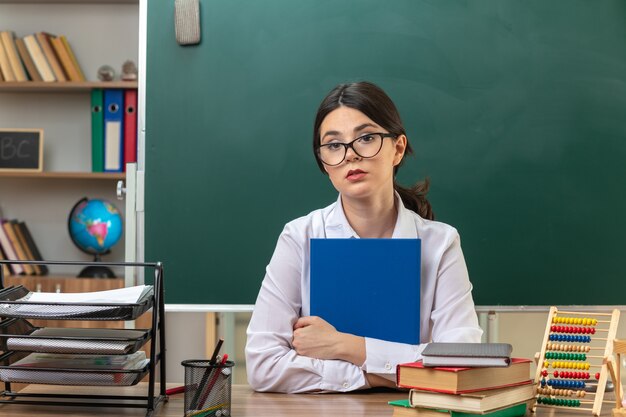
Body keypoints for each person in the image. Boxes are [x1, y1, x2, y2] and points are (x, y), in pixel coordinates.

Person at [245, 81, 483, 393]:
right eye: (333, 145)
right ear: (324, 164)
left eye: (366, 138)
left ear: (397, 148)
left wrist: (344, 346)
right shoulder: (300, 237)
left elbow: (459, 363)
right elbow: (263, 365)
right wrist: (377, 376)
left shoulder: (440, 244)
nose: (350, 156)